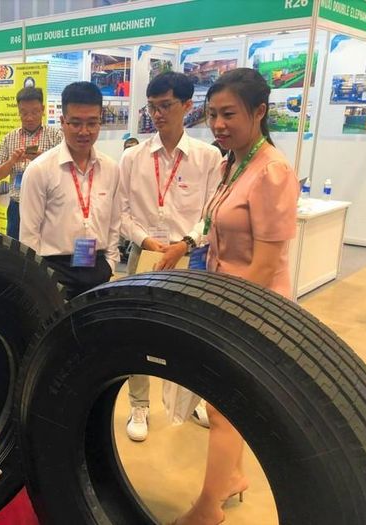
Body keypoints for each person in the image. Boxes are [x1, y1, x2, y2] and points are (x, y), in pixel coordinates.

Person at [168, 68, 299, 525]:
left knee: (223, 409)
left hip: (253, 306)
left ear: (259, 112)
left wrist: (229, 315)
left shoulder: (273, 171)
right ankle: (235, 476)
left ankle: (208, 508)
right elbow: (213, 227)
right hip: (226, 296)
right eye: (212, 114)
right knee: (227, 402)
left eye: (229, 114)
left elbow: (266, 263)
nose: (218, 124)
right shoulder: (233, 163)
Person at [119, 72, 223, 442]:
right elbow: (122, 213)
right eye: (152, 107)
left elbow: (212, 214)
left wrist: (185, 243)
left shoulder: (209, 157)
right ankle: (139, 404)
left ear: (187, 105)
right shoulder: (133, 157)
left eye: (166, 106)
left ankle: (190, 398)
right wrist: (146, 241)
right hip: (145, 254)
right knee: (138, 330)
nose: (158, 114)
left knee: (190, 332)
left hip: (190, 256)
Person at [20, 81, 120, 300]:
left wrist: (110, 264)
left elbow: (114, 223)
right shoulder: (40, 170)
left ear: (100, 121)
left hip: (97, 266)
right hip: (55, 270)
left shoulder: (111, 168)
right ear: (62, 122)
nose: (84, 131)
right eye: (75, 123)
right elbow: (29, 235)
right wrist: (39, 280)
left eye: (92, 123)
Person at [0, 87, 62, 239]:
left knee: (46, 249)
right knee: (16, 248)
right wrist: (12, 161)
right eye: (24, 113)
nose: (29, 118)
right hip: (17, 205)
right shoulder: (9, 138)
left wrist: (42, 159)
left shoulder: (56, 136)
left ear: (42, 109)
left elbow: (65, 172)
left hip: (47, 205)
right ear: (18, 111)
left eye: (35, 112)